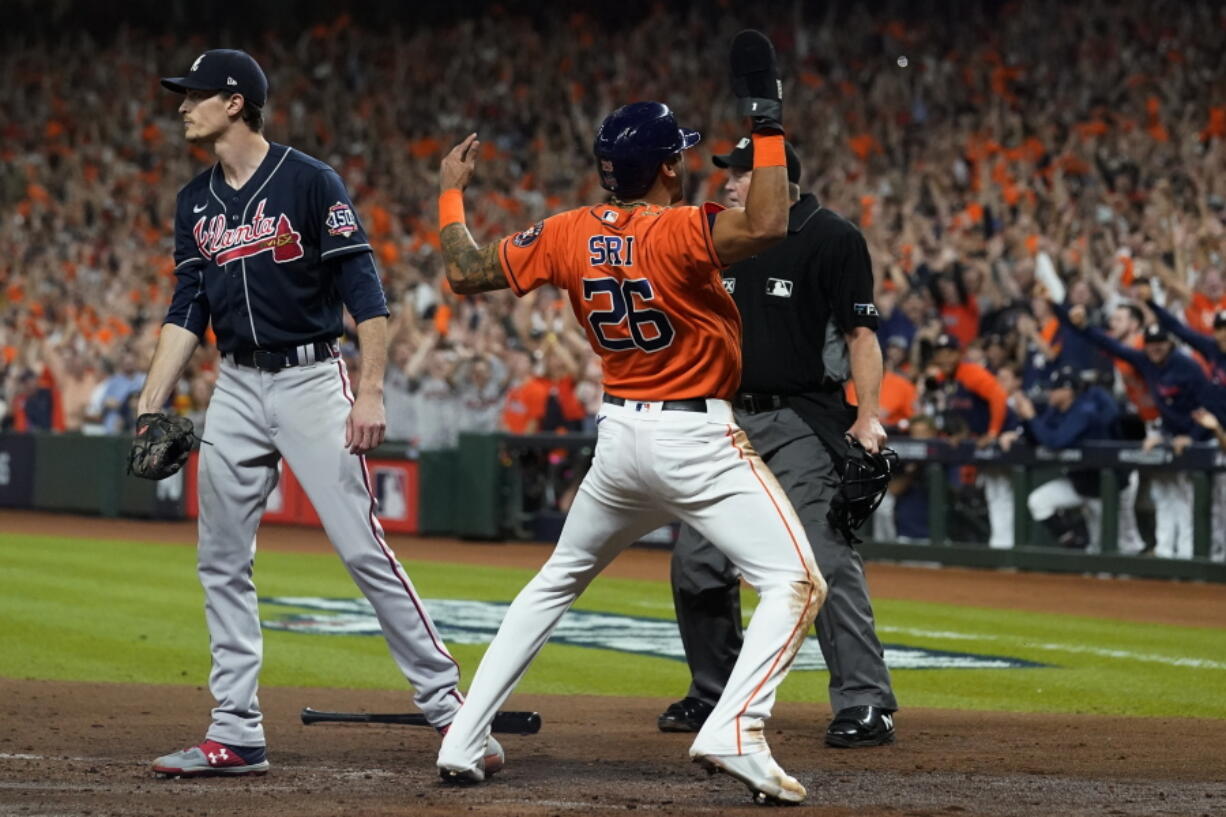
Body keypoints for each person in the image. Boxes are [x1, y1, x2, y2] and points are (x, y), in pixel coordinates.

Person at [435, 31, 826, 806]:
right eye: (679, 153)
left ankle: (464, 733)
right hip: (697, 436)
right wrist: (769, 123)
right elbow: (772, 224)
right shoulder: (680, 228)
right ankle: (736, 726)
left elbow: (464, 269)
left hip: (619, 439)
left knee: (553, 583)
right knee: (795, 580)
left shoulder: (566, 230)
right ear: (671, 167)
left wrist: (451, 192)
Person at [137, 49, 495, 778]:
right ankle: (235, 729)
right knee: (221, 560)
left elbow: (365, 290)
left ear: (235, 102)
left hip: (311, 378)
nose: (182, 106)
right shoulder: (194, 201)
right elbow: (187, 308)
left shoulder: (308, 181)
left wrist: (370, 389)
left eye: (196, 95)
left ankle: (455, 713)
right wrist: (149, 402)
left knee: (363, 549)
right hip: (234, 385)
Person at [657, 136, 898, 750]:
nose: (730, 183)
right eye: (729, 174)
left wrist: (868, 415)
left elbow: (861, 334)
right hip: (723, 419)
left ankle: (866, 701)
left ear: (778, 181)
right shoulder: (723, 237)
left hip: (800, 419)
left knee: (823, 557)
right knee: (696, 564)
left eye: (741, 174)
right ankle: (713, 690)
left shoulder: (831, 237)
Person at [1058, 304, 1224, 559]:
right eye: (1150, 343)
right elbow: (1111, 345)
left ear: (1169, 345)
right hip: (1170, 433)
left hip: (1203, 436)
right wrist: (1079, 323)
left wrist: (1191, 437)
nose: (1155, 348)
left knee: (1201, 500)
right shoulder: (1145, 360)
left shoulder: (1187, 367)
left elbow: (1207, 406)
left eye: (1160, 343)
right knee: (1166, 494)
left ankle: (1198, 554)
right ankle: (1169, 552)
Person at [1014, 367, 1121, 551]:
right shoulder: (1056, 410)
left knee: (1119, 543)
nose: (1049, 393)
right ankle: (1074, 541)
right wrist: (1025, 421)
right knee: (1039, 501)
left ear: (1068, 391)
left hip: (1109, 485)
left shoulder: (1084, 410)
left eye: (1054, 389)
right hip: (1080, 482)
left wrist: (1032, 417)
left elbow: (1055, 441)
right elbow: (1039, 435)